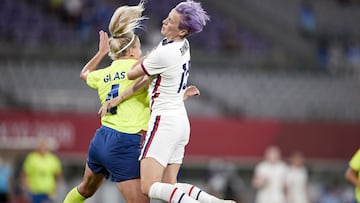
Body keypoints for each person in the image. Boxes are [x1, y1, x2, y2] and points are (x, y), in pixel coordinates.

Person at [63, 2, 201, 203]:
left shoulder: (104, 74)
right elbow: (158, 96)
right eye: (138, 48)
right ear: (130, 52)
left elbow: (84, 74)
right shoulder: (144, 70)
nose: (141, 52)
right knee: (147, 195)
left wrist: (101, 52)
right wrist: (181, 96)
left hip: (101, 139)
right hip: (124, 143)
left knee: (85, 189)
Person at [104, 1, 236, 202]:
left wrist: (143, 56)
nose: (165, 21)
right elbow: (149, 78)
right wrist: (120, 98)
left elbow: (132, 74)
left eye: (171, 21)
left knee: (148, 186)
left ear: (182, 30)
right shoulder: (182, 44)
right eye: (168, 15)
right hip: (180, 120)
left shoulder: (164, 53)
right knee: (168, 186)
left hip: (163, 122)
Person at [22, 137, 62, 203]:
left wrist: (55, 188)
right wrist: (28, 187)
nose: (42, 148)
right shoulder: (32, 158)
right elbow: (25, 174)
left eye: (44, 145)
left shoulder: (52, 159)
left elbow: (58, 175)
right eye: (41, 145)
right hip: (35, 192)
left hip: (48, 192)